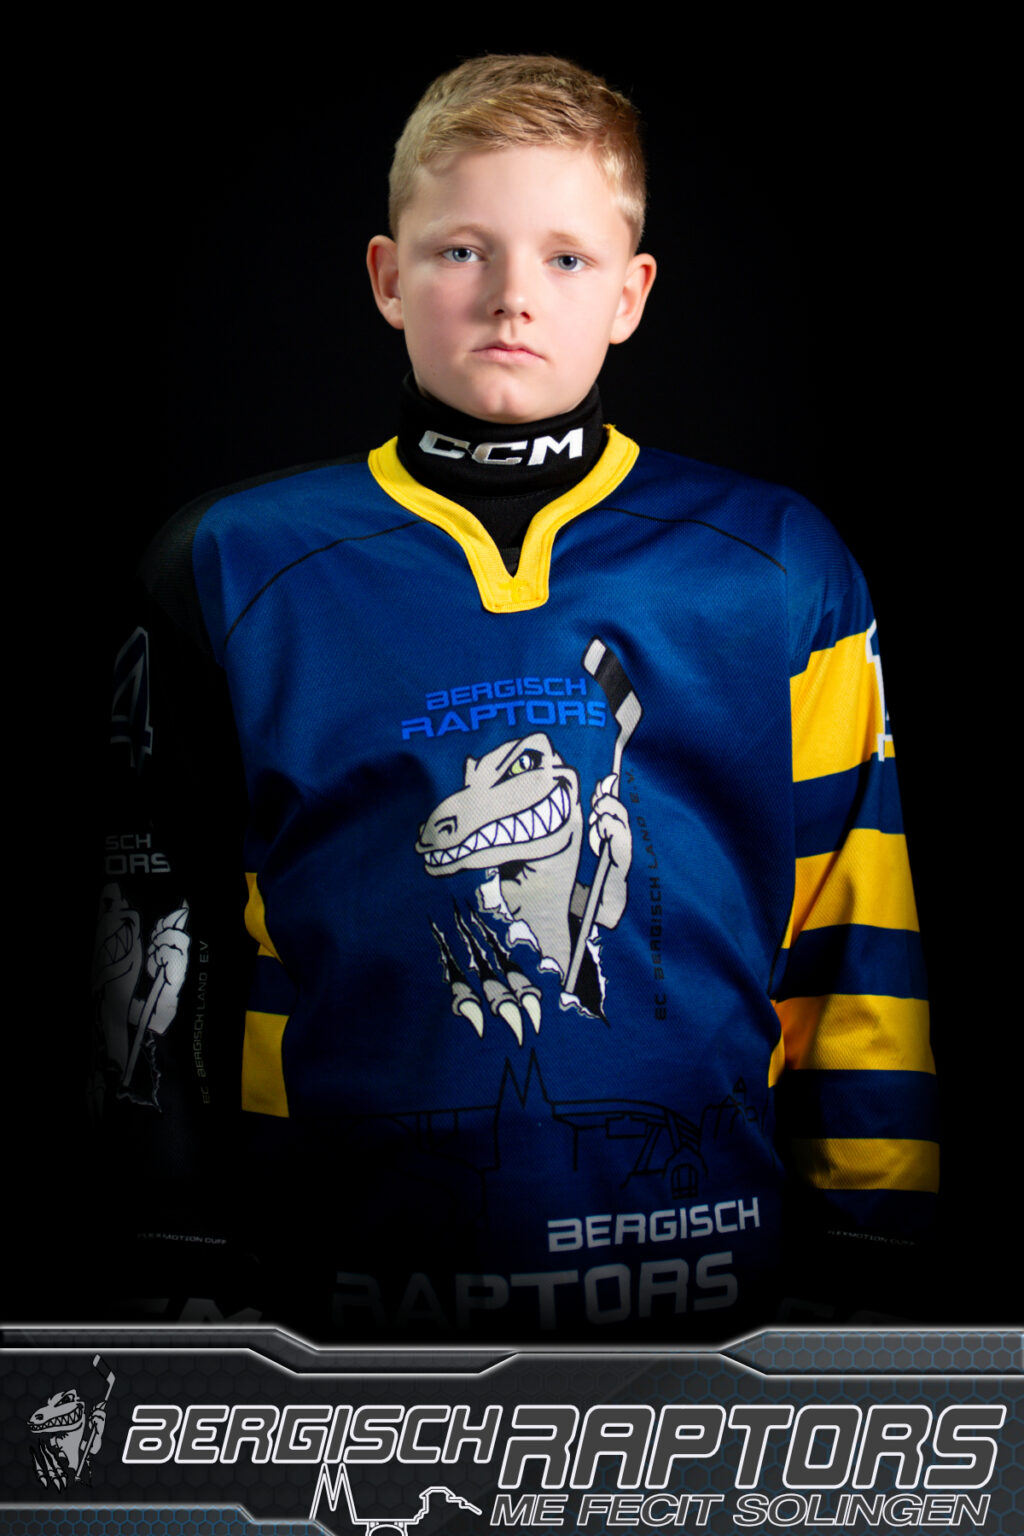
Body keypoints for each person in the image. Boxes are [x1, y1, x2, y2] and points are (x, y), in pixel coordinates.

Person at [92, 54, 936, 1340]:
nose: (510, 298)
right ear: (387, 277)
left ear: (630, 294)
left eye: (565, 258)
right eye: (460, 252)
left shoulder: (774, 568)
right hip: (326, 1311)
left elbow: (852, 923)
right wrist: (170, 1255)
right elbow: (154, 932)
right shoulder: (230, 566)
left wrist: (871, 1249)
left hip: (718, 1311)